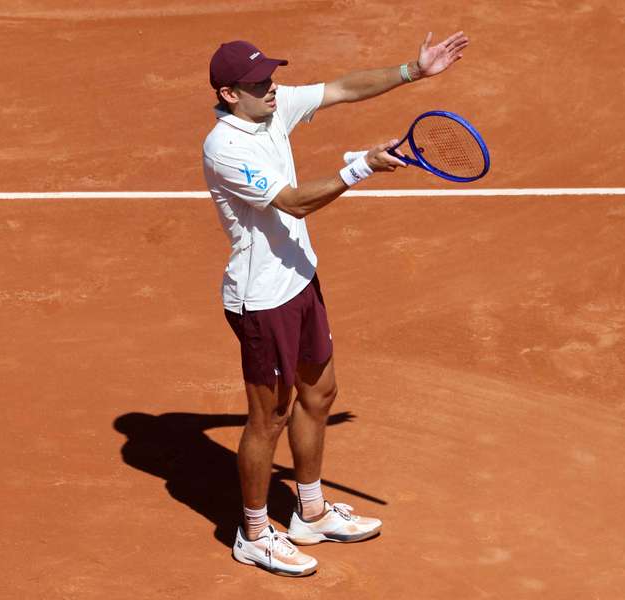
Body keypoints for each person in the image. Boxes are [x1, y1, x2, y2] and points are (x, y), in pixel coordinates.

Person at [202, 31, 470, 576]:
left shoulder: (270, 109)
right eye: (258, 83)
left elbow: (341, 88)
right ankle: (253, 532)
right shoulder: (226, 146)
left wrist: (412, 72)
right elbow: (294, 204)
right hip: (261, 298)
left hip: (299, 279)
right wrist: (361, 167)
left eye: (271, 77)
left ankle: (311, 510)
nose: (271, 88)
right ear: (230, 94)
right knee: (269, 415)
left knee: (320, 393)